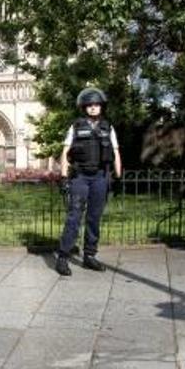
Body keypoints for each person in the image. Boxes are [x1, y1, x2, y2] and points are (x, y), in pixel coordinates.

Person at [54, 87, 122, 276]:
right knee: (74, 217)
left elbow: (116, 152)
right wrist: (64, 177)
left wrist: (118, 177)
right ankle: (63, 257)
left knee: (94, 218)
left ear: (101, 107)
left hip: (100, 177)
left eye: (96, 104)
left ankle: (89, 256)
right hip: (80, 177)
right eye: (89, 105)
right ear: (84, 107)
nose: (93, 107)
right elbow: (65, 152)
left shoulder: (108, 127)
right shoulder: (75, 126)